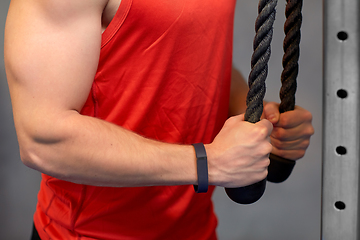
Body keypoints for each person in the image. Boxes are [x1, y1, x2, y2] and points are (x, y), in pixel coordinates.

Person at [4, 0, 314, 239]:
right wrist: (209, 162)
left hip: (196, 229)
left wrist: (253, 118)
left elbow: (191, 57)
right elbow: (42, 139)